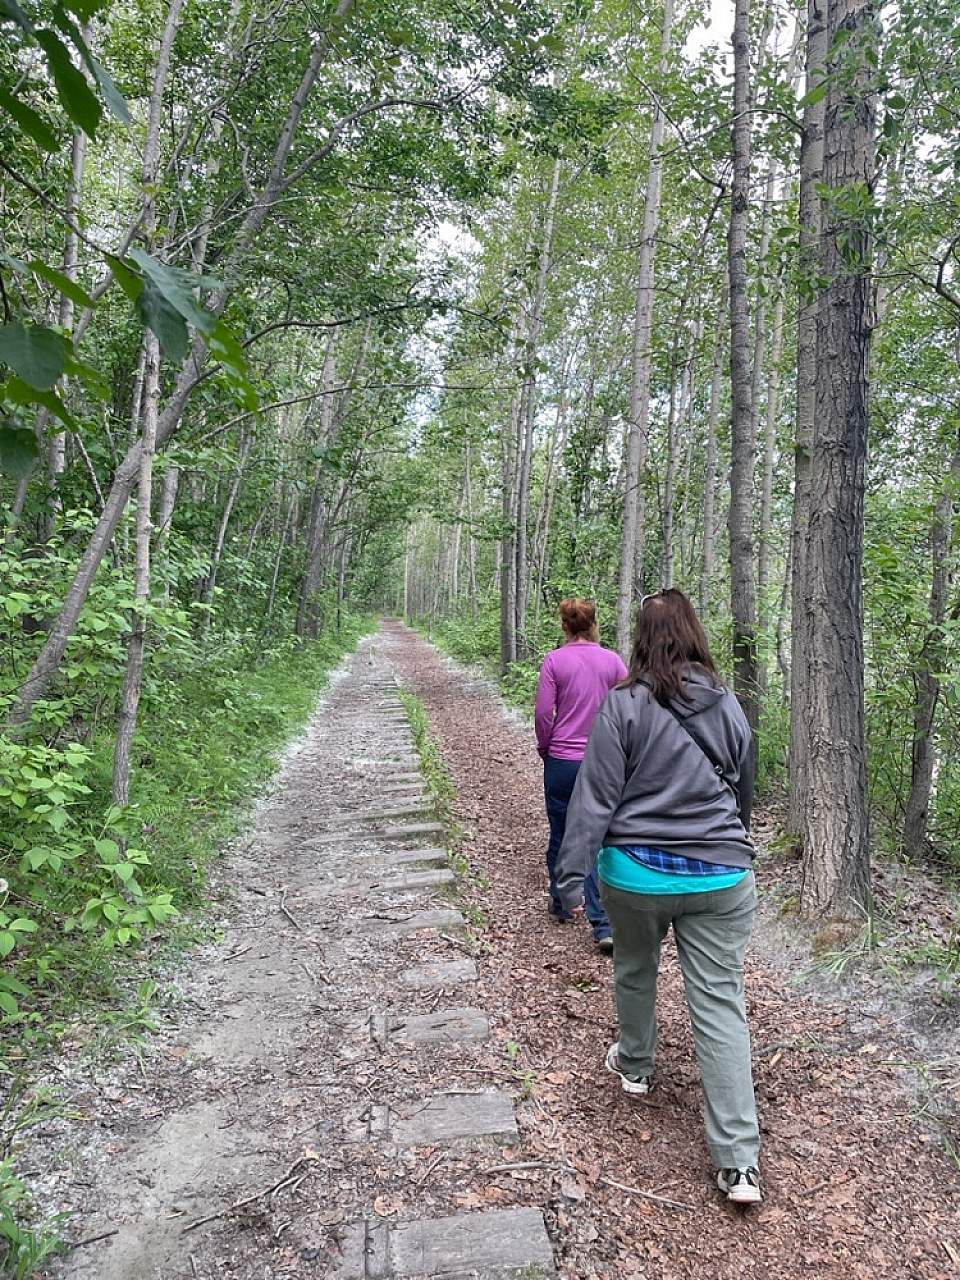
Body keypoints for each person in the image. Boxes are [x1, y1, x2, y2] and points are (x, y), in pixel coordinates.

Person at [554, 588, 761, 1204]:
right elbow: (742, 796)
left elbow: (593, 800)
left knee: (636, 967)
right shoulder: (728, 706)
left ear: (640, 639)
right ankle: (739, 1162)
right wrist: (727, 845)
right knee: (720, 1006)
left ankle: (637, 1066)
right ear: (695, 633)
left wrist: (570, 879)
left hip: (636, 872)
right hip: (722, 876)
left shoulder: (623, 707)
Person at [534, 598, 627, 954]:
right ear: (593, 624)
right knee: (603, 837)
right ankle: (603, 922)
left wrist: (547, 747)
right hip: (604, 763)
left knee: (562, 830)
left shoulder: (555, 660)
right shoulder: (614, 662)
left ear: (565, 626)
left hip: (563, 762)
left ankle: (561, 901)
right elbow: (628, 707)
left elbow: (544, 713)